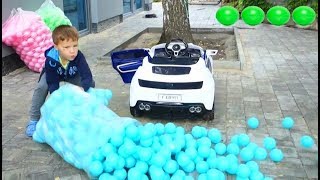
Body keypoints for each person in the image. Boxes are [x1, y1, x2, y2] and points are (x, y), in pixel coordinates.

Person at [25, 24, 95, 137]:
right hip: (53, 74)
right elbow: (52, 83)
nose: (72, 51)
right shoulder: (50, 60)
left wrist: (83, 87)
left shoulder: (79, 56)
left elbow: (87, 75)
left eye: (75, 45)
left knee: (90, 84)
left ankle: (86, 113)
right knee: (41, 87)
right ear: (56, 46)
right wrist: (57, 99)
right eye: (66, 47)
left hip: (72, 74)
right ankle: (33, 120)